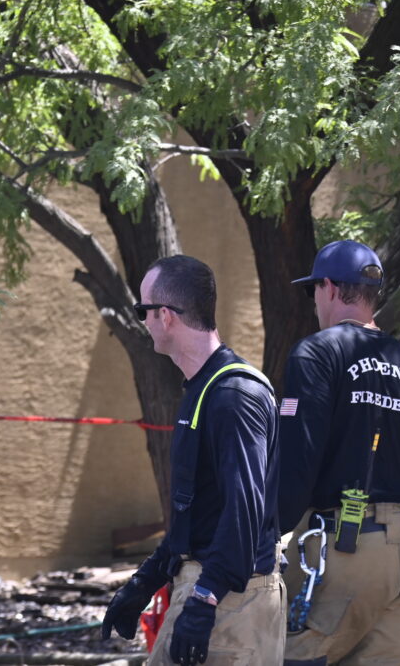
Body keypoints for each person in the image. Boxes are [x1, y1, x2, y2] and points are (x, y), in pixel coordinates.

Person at [278, 240, 400, 665]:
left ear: (327, 287)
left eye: (312, 290)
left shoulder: (316, 353)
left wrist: (265, 535)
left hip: (345, 550)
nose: (314, 302)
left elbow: (297, 458)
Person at [102, 255, 285, 666]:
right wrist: (145, 581)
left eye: (143, 310)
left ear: (165, 316)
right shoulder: (204, 389)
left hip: (231, 602)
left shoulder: (233, 395)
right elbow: (199, 513)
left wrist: (204, 601)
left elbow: (243, 512)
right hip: (214, 591)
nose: (143, 321)